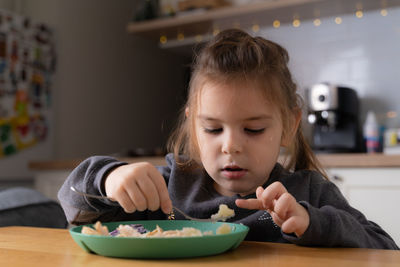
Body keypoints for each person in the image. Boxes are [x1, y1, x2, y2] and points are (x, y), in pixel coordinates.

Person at [58, 29, 398, 249]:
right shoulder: (166, 192)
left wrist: (314, 223)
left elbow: (385, 249)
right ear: (193, 126)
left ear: (290, 125)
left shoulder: (308, 193)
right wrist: (107, 178)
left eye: (253, 129)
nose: (230, 146)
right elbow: (73, 206)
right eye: (213, 128)